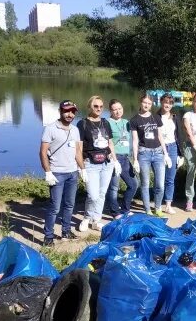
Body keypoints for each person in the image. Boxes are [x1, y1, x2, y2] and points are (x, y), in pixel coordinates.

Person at [40, 100, 83, 246]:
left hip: (72, 173)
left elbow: (77, 151)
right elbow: (43, 152)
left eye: (72, 111)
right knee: (54, 207)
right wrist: (48, 172)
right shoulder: (50, 129)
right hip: (57, 173)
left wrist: (82, 169)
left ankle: (66, 231)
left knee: (70, 205)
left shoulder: (75, 130)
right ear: (60, 111)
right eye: (66, 111)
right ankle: (48, 236)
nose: (69, 114)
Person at [76, 96, 120, 232]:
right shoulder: (82, 124)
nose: (99, 109)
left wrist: (115, 159)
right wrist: (80, 166)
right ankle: (86, 218)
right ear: (89, 107)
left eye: (101, 106)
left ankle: (96, 220)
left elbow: (110, 142)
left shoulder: (106, 123)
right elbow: (79, 147)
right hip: (90, 163)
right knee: (93, 195)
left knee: (102, 193)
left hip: (107, 163)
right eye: (96, 106)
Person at [130, 94, 172, 217]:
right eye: (144, 102)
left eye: (149, 103)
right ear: (140, 102)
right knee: (145, 184)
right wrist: (135, 159)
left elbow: (160, 136)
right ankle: (148, 210)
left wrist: (166, 154)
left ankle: (158, 208)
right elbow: (135, 140)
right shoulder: (134, 120)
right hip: (144, 153)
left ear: (151, 104)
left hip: (158, 152)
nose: (146, 105)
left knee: (160, 184)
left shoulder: (156, 117)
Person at [104, 99, 139, 219]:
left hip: (125, 157)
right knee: (114, 187)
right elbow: (107, 142)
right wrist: (113, 160)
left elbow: (137, 131)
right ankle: (114, 211)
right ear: (110, 111)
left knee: (134, 184)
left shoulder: (126, 122)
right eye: (114, 109)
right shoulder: (107, 122)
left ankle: (125, 208)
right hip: (114, 157)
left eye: (119, 108)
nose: (118, 111)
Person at [157, 94, 184, 214]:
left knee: (170, 178)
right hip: (159, 149)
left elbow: (179, 135)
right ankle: (157, 204)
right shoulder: (155, 117)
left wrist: (180, 154)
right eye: (165, 102)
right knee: (159, 178)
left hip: (172, 147)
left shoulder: (174, 117)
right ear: (161, 102)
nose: (167, 104)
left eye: (170, 102)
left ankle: (168, 204)